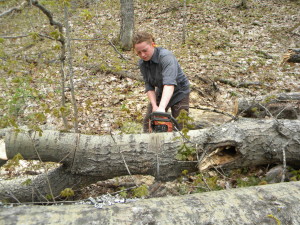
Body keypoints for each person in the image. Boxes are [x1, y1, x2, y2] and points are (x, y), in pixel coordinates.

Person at [132, 31, 190, 132]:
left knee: (180, 125)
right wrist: (155, 106)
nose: (143, 55)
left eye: (145, 50)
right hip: (162, 90)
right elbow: (149, 86)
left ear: (153, 44)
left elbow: (169, 84)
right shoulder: (142, 64)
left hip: (179, 91)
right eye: (139, 53)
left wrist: (161, 108)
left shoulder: (166, 57)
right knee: (149, 122)